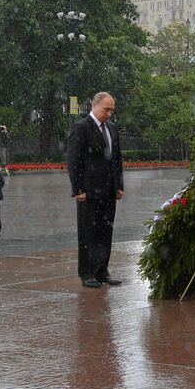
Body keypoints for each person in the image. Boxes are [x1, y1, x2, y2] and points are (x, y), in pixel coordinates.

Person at [66, 91, 125, 288]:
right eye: (106, 109)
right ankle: (87, 273)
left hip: (108, 192)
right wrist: (78, 189)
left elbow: (117, 160)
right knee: (88, 233)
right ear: (95, 105)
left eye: (112, 110)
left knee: (105, 232)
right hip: (88, 193)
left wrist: (119, 185)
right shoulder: (81, 128)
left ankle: (102, 270)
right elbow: (73, 161)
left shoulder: (112, 129)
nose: (109, 113)